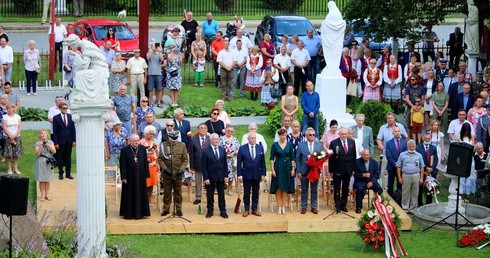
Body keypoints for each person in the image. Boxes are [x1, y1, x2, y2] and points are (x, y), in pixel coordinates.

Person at [119, 134, 150, 219]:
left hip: (141, 176)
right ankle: (129, 213)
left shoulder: (143, 149)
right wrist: (124, 177)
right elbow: (122, 164)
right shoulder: (125, 150)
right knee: (129, 194)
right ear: (130, 141)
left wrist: (147, 174)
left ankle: (142, 213)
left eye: (137, 140)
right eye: (134, 140)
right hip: (129, 177)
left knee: (141, 193)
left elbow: (145, 162)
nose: (136, 142)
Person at [158, 130, 189, 216]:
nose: (173, 141)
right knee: (167, 192)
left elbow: (185, 159)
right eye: (172, 139)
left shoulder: (182, 146)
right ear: (169, 138)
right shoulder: (163, 145)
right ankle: (166, 208)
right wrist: (164, 169)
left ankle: (178, 209)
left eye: (175, 139)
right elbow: (160, 159)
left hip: (178, 173)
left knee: (178, 192)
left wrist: (182, 169)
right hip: (167, 173)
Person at [237, 132, 266, 217]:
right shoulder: (242, 148)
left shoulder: (260, 148)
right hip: (246, 174)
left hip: (257, 174)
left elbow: (263, 162)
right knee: (246, 193)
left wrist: (263, 173)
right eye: (252, 138)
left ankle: (254, 209)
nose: (253, 139)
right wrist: (239, 175)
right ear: (248, 139)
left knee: (255, 192)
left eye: (254, 138)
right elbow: (239, 163)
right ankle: (246, 209)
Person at [295, 127, 323, 214]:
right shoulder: (301, 145)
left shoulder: (319, 145)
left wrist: (319, 169)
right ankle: (303, 206)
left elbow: (321, 159)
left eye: (313, 135)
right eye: (310, 135)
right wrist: (298, 171)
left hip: (314, 170)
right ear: (306, 135)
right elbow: (298, 159)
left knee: (314, 189)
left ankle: (313, 206)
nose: (312, 136)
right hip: (304, 171)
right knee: (304, 189)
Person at [329, 128, 357, 212]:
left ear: (347, 134)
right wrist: (331, 170)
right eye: (342, 134)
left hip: (348, 169)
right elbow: (331, 158)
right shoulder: (334, 143)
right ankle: (337, 205)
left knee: (345, 188)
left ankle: (343, 205)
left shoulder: (352, 142)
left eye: (345, 134)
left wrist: (353, 168)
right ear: (339, 134)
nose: (344, 135)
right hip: (337, 169)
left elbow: (354, 156)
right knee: (337, 188)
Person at [202, 133, 229, 219]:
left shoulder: (222, 149)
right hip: (210, 177)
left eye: (218, 139)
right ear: (211, 140)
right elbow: (204, 165)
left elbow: (225, 164)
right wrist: (206, 178)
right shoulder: (206, 151)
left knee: (221, 195)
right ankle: (210, 211)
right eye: (215, 139)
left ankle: (223, 211)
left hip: (221, 176)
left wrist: (226, 176)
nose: (217, 141)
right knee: (210, 195)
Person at [270, 128, 295, 214]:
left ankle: (283, 206)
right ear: (279, 135)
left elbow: (292, 158)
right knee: (278, 187)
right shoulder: (274, 145)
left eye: (284, 135)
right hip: (278, 166)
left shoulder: (290, 145)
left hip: (287, 167)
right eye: (281, 135)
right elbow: (271, 158)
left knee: (284, 188)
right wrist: (272, 169)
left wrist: (293, 168)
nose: (283, 136)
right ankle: (279, 206)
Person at [396, 139, 425, 212]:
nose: (411, 148)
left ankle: (413, 208)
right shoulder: (402, 155)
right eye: (410, 146)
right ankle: (405, 207)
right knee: (406, 192)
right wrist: (399, 177)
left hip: (416, 175)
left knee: (415, 192)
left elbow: (422, 167)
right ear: (407, 146)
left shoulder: (419, 155)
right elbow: (398, 166)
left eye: (413, 146)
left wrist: (421, 178)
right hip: (406, 175)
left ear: (415, 146)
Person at [354, 149, 382, 213]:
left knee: (379, 189)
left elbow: (377, 174)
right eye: (364, 155)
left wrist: (372, 182)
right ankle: (358, 207)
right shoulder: (357, 162)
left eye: (367, 155)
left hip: (371, 181)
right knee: (360, 189)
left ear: (370, 155)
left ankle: (376, 205)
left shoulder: (375, 162)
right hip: (361, 181)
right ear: (362, 155)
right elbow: (355, 174)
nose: (366, 156)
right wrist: (363, 175)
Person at [52, 102, 76, 180]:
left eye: (66, 108)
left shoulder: (70, 117)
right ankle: (61, 173)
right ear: (60, 109)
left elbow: (73, 129)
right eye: (64, 108)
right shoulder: (56, 118)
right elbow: (55, 131)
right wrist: (56, 142)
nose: (65, 109)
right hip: (60, 141)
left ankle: (68, 173)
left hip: (69, 141)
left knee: (68, 158)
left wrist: (74, 140)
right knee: (60, 158)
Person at [189, 123, 210, 205]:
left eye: (205, 128)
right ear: (198, 129)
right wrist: (191, 166)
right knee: (198, 182)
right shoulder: (193, 140)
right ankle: (198, 197)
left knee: (208, 181)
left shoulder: (209, 138)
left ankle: (209, 196)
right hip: (197, 164)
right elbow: (191, 154)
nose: (203, 129)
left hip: (208, 165)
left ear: (207, 130)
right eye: (201, 128)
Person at [415, 132, 438, 206]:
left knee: (430, 188)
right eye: (426, 138)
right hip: (422, 171)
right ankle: (419, 203)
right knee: (420, 188)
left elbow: (436, 159)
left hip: (431, 172)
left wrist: (432, 168)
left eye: (428, 138)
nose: (427, 140)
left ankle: (429, 203)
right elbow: (417, 160)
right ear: (422, 138)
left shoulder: (433, 148)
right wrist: (425, 169)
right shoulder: (418, 148)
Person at [139, 125, 159, 207]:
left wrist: (157, 162)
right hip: (144, 165)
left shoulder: (154, 141)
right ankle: (143, 200)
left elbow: (157, 152)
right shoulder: (141, 142)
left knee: (151, 184)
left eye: (153, 134)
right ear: (146, 133)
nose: (152, 135)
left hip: (153, 165)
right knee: (144, 183)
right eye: (150, 134)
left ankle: (149, 200)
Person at [385, 127, 408, 199]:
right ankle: (390, 198)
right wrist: (396, 164)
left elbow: (406, 154)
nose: (397, 132)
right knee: (390, 183)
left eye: (398, 131)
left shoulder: (404, 142)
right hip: (391, 167)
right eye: (395, 131)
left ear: (400, 132)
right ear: (393, 133)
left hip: (402, 167)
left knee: (400, 183)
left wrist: (401, 165)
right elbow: (388, 155)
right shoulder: (388, 143)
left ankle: (399, 198)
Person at [34, 129, 56, 201]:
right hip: (41, 161)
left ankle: (47, 195)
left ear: (47, 134)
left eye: (44, 133)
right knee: (42, 179)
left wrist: (48, 145)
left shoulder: (50, 142)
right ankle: (42, 195)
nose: (43, 135)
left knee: (47, 179)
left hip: (48, 162)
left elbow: (54, 151)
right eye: (41, 134)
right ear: (39, 135)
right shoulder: (37, 143)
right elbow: (37, 154)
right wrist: (40, 146)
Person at [2, 103, 23, 174]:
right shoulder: (5, 117)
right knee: (8, 154)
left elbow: (20, 127)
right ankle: (9, 168)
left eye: (10, 108)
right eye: (7, 108)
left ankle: (15, 168)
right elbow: (4, 127)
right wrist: (10, 136)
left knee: (16, 154)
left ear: (13, 109)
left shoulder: (17, 117)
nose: (8, 109)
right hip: (7, 137)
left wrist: (15, 136)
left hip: (17, 137)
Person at [219, 125, 240, 196]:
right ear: (225, 131)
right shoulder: (221, 139)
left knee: (231, 174)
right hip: (222, 159)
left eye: (231, 131)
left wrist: (234, 153)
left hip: (232, 160)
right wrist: (225, 153)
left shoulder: (235, 139)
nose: (230, 132)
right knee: (222, 173)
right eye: (228, 131)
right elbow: (218, 148)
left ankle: (230, 188)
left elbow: (238, 149)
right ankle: (221, 188)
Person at [146, 42, 164, 106]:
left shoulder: (159, 53)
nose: (154, 47)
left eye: (155, 46)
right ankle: (151, 102)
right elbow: (148, 57)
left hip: (158, 73)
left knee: (159, 88)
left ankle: (158, 101)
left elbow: (162, 59)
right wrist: (152, 51)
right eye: (153, 46)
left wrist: (158, 51)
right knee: (150, 89)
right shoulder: (149, 53)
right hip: (151, 73)